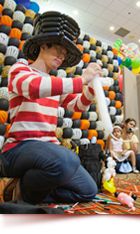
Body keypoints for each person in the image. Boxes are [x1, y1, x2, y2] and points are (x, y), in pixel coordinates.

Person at [0, 11, 102, 204]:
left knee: (88, 190)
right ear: (42, 45)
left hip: (47, 151)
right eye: (58, 50)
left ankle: (28, 190)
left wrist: (91, 90)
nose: (62, 57)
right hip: (18, 149)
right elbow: (34, 87)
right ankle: (25, 193)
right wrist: (82, 81)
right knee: (67, 159)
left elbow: (76, 105)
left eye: (65, 54)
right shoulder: (20, 70)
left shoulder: (57, 83)